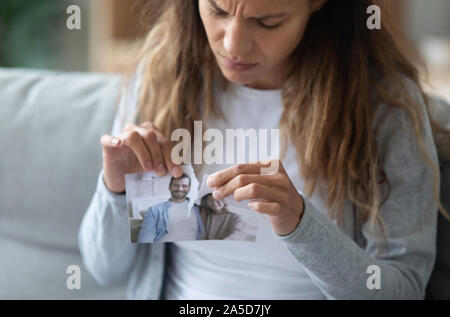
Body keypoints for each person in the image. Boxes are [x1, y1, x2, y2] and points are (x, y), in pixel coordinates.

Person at [79, 0, 449, 299]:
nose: (233, 44)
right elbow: (103, 268)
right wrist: (117, 190)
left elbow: (401, 290)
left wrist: (300, 223)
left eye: (267, 22)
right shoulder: (163, 76)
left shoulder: (384, 107)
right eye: (218, 11)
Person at [137, 174, 204, 243]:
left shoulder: (199, 209)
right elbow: (145, 239)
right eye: (176, 185)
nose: (180, 189)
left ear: (189, 188)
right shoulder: (154, 211)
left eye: (184, 186)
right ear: (170, 187)